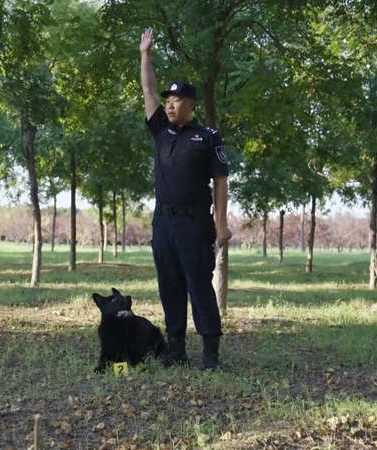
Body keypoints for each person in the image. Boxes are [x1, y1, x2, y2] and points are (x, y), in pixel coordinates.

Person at [139, 27, 232, 370]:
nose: (170, 104)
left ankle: (210, 352)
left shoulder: (208, 137)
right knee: (170, 285)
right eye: (168, 101)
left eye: (177, 100)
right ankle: (176, 348)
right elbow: (148, 88)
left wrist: (220, 223)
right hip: (163, 221)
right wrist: (145, 55)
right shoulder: (160, 130)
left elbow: (220, 180)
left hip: (195, 223)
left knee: (199, 286)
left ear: (191, 104)